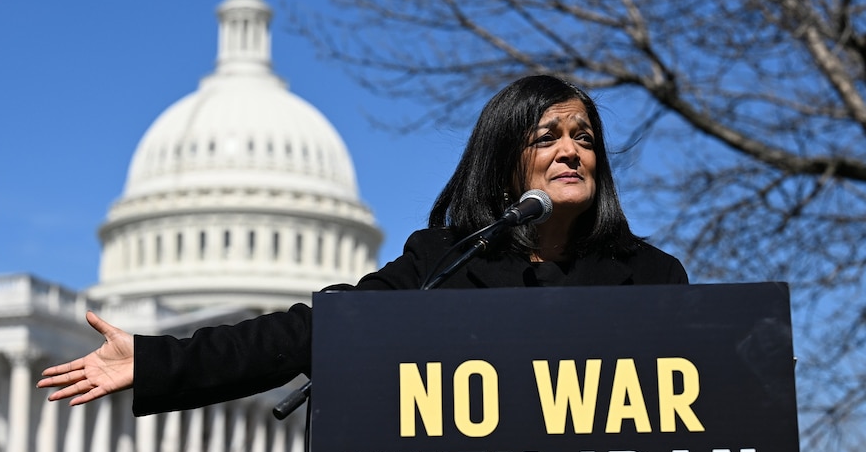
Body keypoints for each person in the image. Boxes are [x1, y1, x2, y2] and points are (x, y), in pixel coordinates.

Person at [37, 74, 687, 415]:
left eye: (585, 135)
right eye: (547, 136)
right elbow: (312, 332)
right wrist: (155, 362)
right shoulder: (447, 265)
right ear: (504, 158)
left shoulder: (653, 279)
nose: (572, 149)